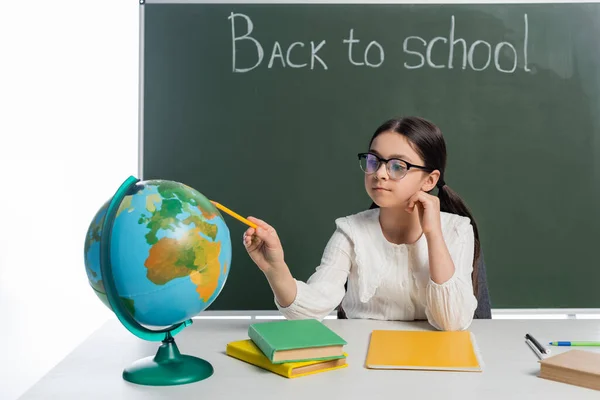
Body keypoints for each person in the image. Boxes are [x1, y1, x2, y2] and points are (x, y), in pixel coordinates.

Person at [242, 116, 480, 331]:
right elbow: (312, 309)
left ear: (429, 180)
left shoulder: (457, 230)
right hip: (361, 359)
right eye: (373, 161)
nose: (380, 173)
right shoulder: (350, 231)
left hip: (435, 362)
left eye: (398, 166)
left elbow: (452, 322)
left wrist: (433, 233)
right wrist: (275, 269)